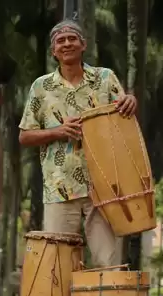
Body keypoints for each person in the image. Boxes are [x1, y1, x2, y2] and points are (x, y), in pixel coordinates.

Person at [18, 19, 138, 267]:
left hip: (104, 186)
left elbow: (125, 113)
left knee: (108, 262)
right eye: (60, 41)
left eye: (72, 39)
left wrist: (131, 101)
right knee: (58, 266)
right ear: (53, 51)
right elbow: (25, 136)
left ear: (83, 45)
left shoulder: (105, 78)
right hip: (60, 187)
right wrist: (58, 131)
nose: (66, 44)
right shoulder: (41, 87)